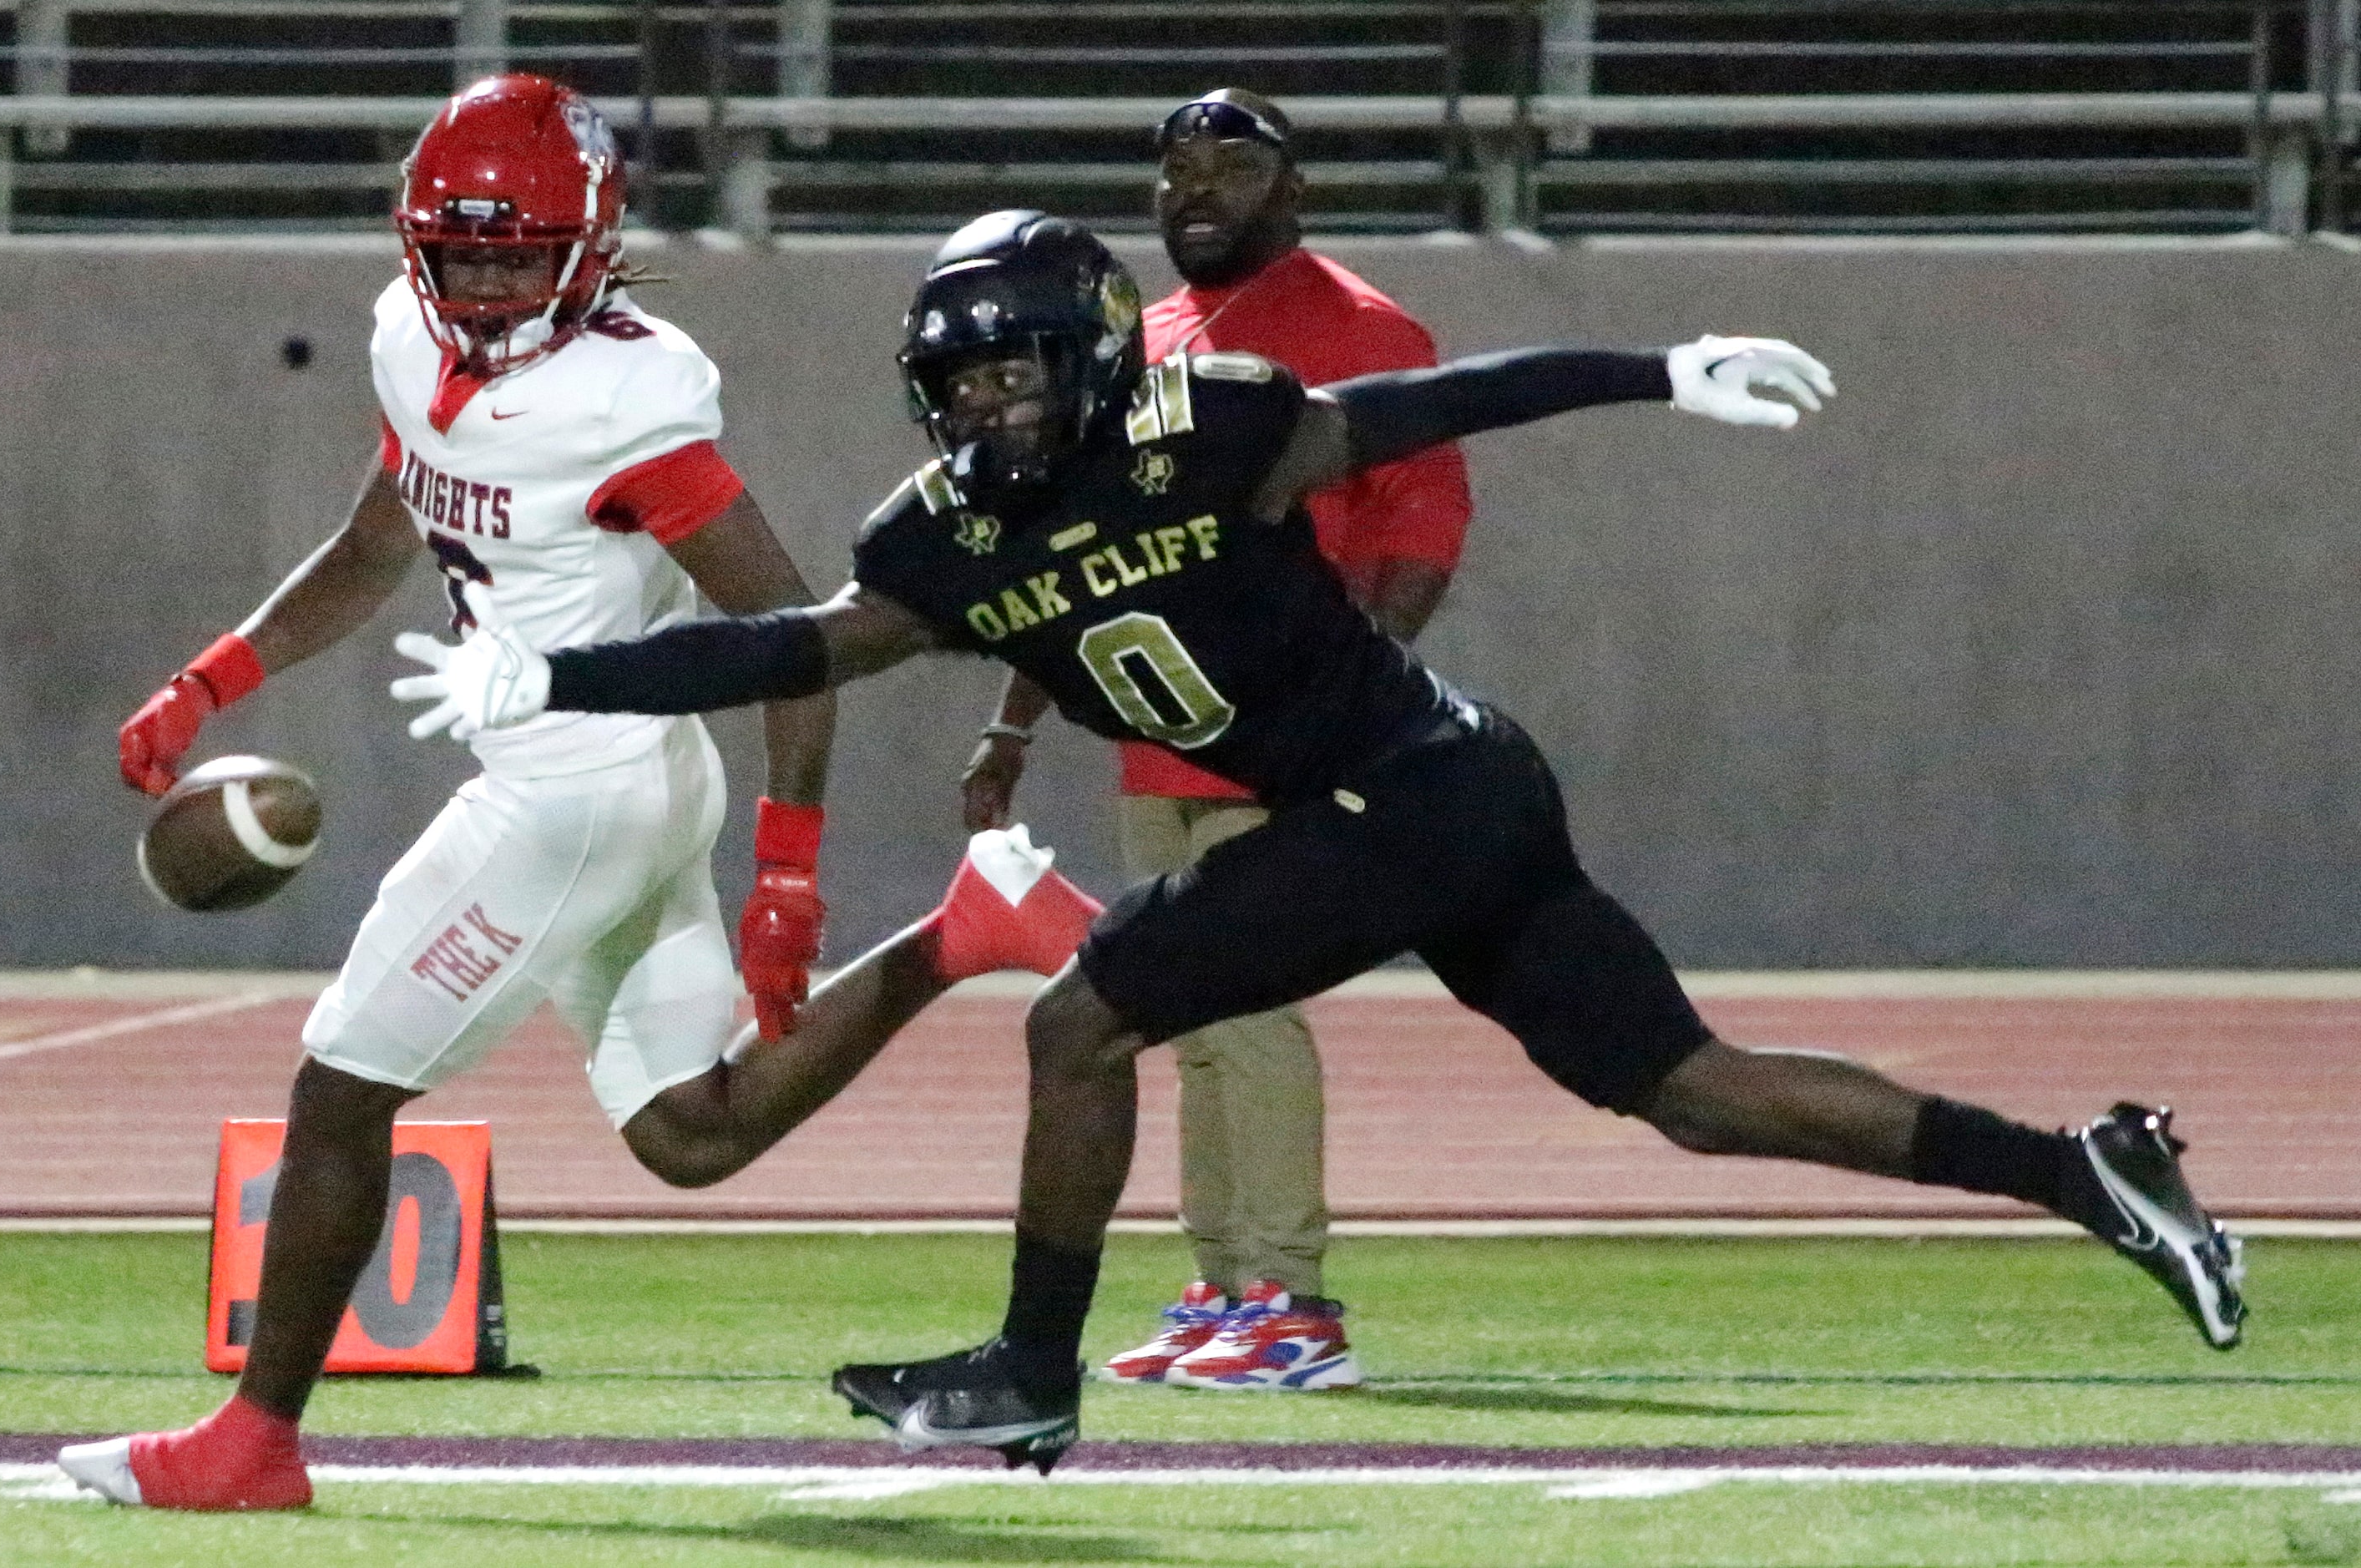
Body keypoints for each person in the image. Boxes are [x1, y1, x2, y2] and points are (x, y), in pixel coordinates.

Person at [390, 210, 2248, 1476]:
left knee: (1080, 1018)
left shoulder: (1217, 431)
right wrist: (557, 670)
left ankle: (1029, 1381)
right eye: (961, 382)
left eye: (1019, 373)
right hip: (1430, 794)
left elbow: (1437, 405)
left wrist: (1655, 372)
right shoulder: (941, 539)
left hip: (1410, 792)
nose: (988, 406)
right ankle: (2090, 1174)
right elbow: (792, 648)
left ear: (1099, 359)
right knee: (1687, 1089)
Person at [57, 83, 1100, 1513]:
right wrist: (212, 677)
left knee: (341, 1087)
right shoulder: (404, 338)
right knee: (691, 1131)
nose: (485, 281)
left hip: (580, 792)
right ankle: (961, 930)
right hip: (615, 780)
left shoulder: (625, 401)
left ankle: (254, 1441)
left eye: (518, 251)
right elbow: (378, 540)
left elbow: (792, 630)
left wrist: (790, 867)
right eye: (463, 250)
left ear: (594, 241)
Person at [958, 90, 1474, 1393]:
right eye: (1177, 169)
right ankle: (1223, 1285)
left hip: (1287, 736)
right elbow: (1079, 555)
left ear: (1291, 192)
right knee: (1176, 1015)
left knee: (1248, 1015)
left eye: (1231, 168)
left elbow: (1422, 524)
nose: (1196, 189)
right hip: (1161, 734)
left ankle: (1295, 1302)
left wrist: (1352, 703)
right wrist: (1011, 720)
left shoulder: (1362, 327)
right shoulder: (1140, 342)